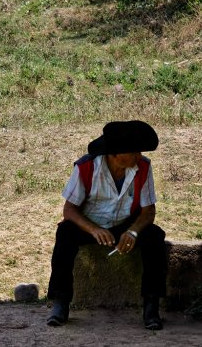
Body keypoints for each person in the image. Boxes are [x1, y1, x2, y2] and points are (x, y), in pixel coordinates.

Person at [47, 121, 167, 330]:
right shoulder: (86, 167)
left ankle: (151, 306)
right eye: (134, 151)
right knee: (65, 233)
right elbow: (69, 211)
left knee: (155, 237)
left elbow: (149, 212)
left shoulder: (143, 167)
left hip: (124, 224)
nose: (139, 155)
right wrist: (93, 229)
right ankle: (61, 302)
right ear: (115, 154)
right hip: (89, 225)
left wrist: (133, 232)